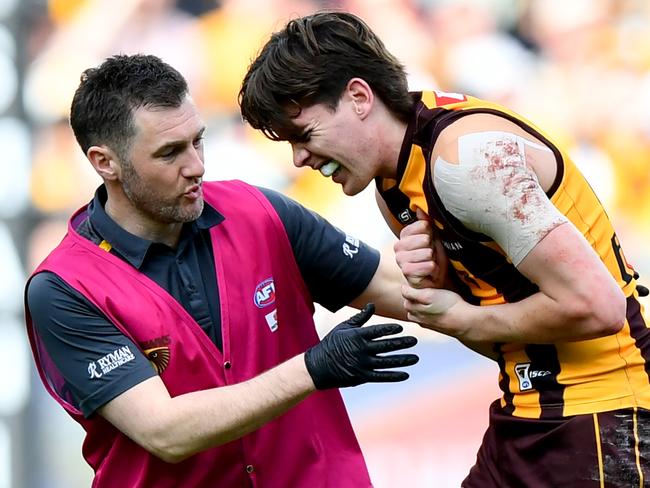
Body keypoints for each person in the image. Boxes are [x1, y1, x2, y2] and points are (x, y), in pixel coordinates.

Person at [239, 10, 650, 487]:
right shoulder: (394, 187)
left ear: (357, 96)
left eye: (304, 135)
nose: (298, 158)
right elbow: (499, 340)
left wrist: (462, 316)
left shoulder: (467, 161)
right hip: (528, 413)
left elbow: (598, 307)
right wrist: (442, 291)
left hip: (608, 413)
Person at [24, 53, 420, 488]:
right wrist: (312, 368)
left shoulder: (261, 211)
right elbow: (165, 432)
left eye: (198, 140)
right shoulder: (63, 289)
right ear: (105, 162)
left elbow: (405, 292)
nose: (196, 166)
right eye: (170, 152)